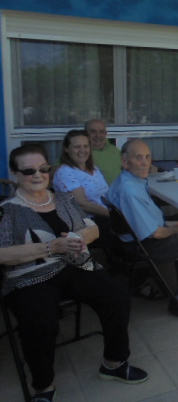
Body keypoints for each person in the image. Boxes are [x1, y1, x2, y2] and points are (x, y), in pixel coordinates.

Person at [0, 144, 148, 402]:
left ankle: (114, 363)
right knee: (40, 321)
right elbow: (2, 254)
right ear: (15, 173)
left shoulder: (63, 199)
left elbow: (93, 229)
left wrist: (78, 238)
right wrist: (50, 247)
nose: (38, 175)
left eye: (43, 169)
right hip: (29, 277)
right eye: (29, 171)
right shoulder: (7, 209)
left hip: (76, 266)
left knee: (116, 295)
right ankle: (44, 386)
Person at [107, 139, 178, 318]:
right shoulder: (130, 190)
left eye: (147, 157)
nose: (145, 162)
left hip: (135, 239)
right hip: (144, 246)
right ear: (125, 161)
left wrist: (169, 224)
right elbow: (155, 233)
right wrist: (173, 230)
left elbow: (142, 218)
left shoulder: (128, 180)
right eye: (138, 157)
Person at [53, 129, 111, 245]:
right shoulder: (66, 172)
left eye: (86, 146)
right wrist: (114, 215)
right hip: (87, 223)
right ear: (66, 149)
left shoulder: (93, 168)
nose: (82, 151)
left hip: (106, 216)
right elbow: (81, 204)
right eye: (77, 147)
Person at [85, 119, 122, 185]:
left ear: (105, 133)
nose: (98, 135)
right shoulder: (81, 153)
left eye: (101, 132)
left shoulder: (114, 150)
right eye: (93, 132)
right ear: (85, 133)